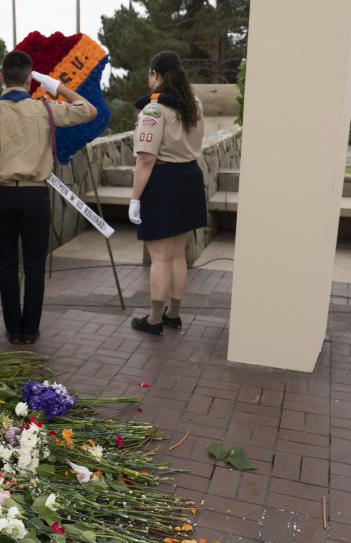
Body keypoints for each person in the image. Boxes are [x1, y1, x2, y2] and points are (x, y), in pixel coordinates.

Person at [0, 50, 97, 344]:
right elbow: (89, 110)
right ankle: (30, 330)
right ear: (30, 79)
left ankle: (13, 330)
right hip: (36, 197)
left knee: (5, 266)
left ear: (2, 78)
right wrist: (53, 85)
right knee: (34, 266)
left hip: (2, 197)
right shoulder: (45, 108)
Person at [128, 51, 206, 335]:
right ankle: (173, 313)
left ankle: (154, 319)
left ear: (155, 74)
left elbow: (145, 159)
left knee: (160, 258)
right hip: (189, 178)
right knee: (176, 255)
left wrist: (135, 199)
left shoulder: (153, 110)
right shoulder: (193, 104)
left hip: (163, 182)